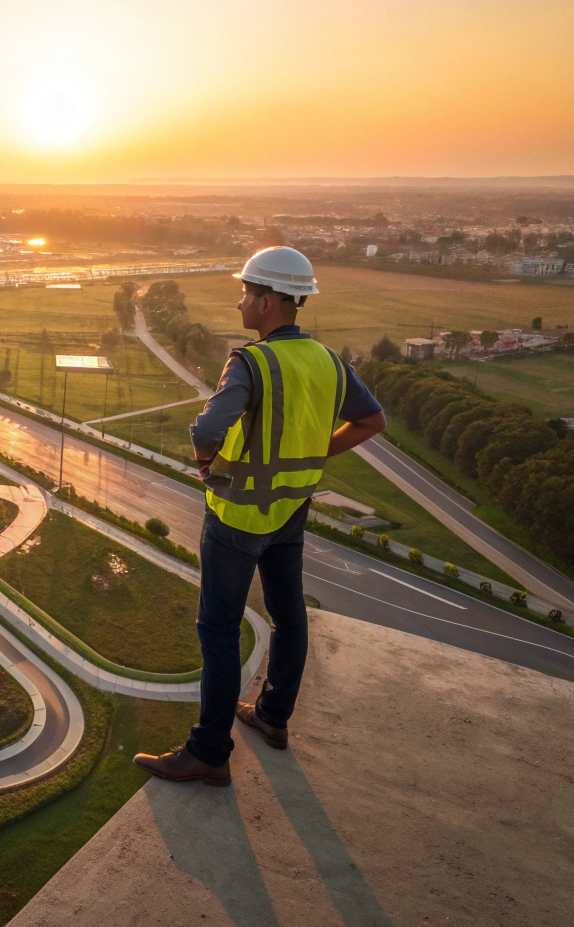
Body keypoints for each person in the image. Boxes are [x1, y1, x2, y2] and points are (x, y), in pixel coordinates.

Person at [134, 246, 386, 786]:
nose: (240, 301)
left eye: (246, 293)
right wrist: (316, 454)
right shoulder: (328, 362)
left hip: (238, 517)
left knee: (219, 628)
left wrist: (208, 467)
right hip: (291, 510)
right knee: (288, 614)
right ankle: (273, 718)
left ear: (268, 302)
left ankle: (208, 753)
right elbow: (371, 421)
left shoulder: (251, 361)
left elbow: (205, 430)